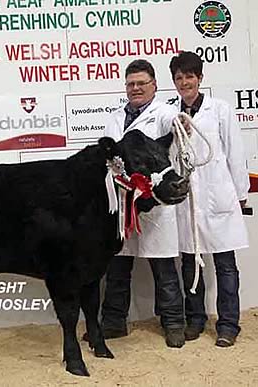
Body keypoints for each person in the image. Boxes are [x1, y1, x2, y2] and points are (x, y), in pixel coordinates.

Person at [86, 59, 186, 348]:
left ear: (154, 85)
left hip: (154, 204)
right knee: (117, 266)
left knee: (164, 267)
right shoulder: (115, 116)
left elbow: (176, 125)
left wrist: (182, 124)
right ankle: (114, 323)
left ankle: (174, 323)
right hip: (121, 204)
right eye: (131, 84)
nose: (136, 88)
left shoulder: (166, 113)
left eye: (142, 83)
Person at [169, 51, 249, 347]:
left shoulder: (220, 110)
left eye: (190, 76)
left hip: (218, 199)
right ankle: (196, 319)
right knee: (190, 265)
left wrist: (240, 195)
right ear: (174, 82)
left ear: (200, 78)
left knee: (225, 264)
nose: (184, 82)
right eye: (179, 77)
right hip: (189, 204)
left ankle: (228, 324)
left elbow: (235, 153)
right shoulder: (172, 116)